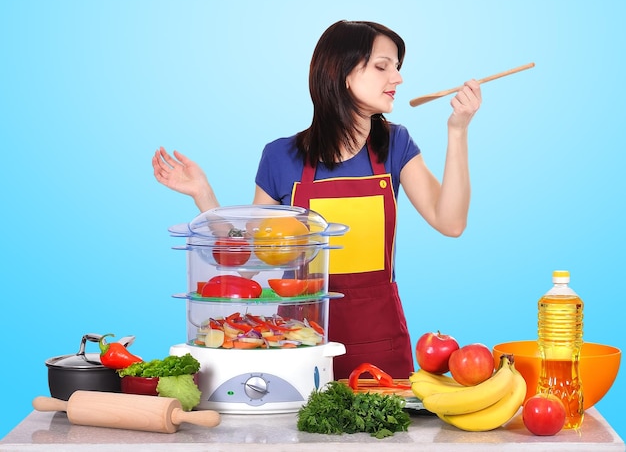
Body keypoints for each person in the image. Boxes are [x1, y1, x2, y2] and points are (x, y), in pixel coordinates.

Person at [152, 20, 481, 380]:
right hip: (299, 343)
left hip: (380, 344)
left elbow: (451, 222)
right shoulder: (281, 157)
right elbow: (251, 260)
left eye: (398, 68)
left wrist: (457, 130)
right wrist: (205, 197)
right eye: (382, 66)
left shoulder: (395, 145)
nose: (397, 78)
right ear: (342, 74)